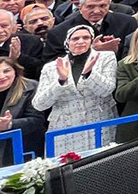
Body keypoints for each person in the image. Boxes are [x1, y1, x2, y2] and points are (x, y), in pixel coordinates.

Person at [32, 24, 119, 154]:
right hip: (64, 130)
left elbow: (107, 90)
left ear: (91, 40)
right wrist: (60, 81)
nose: (81, 41)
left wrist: (89, 74)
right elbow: (39, 104)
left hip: (100, 123)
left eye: (86, 37)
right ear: (67, 42)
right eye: (75, 39)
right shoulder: (51, 67)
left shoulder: (105, 57)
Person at [0, 57, 45, 171]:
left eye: (7, 71)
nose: (2, 76)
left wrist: (10, 125)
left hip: (23, 153)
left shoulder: (32, 87)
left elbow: (37, 120)